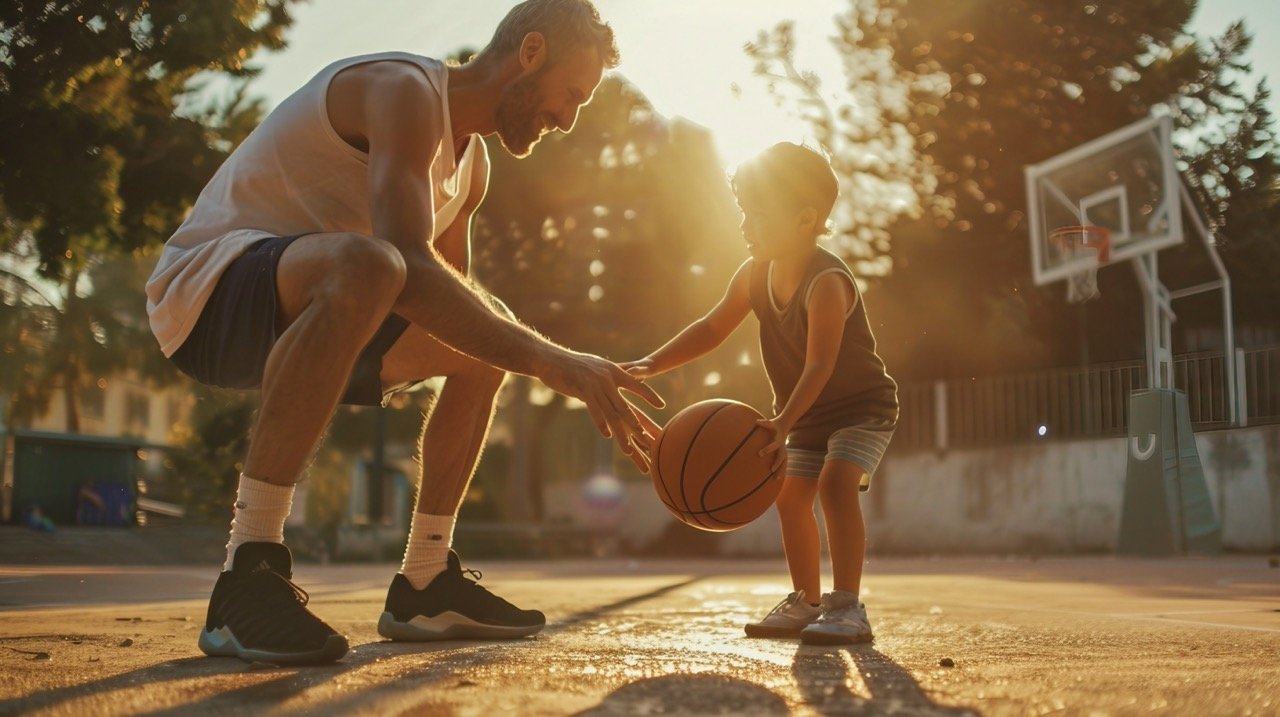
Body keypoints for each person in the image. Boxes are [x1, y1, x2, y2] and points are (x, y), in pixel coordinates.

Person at [144, 0, 662, 665]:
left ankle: (424, 580)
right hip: (207, 292)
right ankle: (249, 570)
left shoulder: (472, 169)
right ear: (530, 53)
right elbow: (410, 265)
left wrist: (530, 354)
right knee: (372, 263)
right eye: (570, 95)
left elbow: (455, 311)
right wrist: (557, 362)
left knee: (484, 342)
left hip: (315, 306)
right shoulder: (405, 91)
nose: (566, 118)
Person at [623, 143, 898, 645]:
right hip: (806, 414)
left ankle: (847, 606)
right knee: (791, 498)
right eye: (744, 212)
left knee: (836, 486)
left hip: (861, 409)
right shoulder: (753, 275)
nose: (746, 225)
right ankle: (805, 602)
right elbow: (709, 329)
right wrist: (651, 364)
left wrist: (785, 421)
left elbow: (820, 364)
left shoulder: (827, 283)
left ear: (805, 218)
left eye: (758, 214)